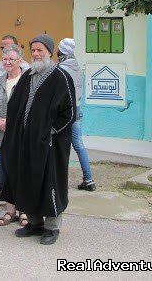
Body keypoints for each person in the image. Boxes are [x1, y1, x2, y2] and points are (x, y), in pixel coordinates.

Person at [1, 34, 75, 245]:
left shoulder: (61, 77)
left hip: (49, 145)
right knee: (28, 181)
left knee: (49, 184)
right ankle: (34, 223)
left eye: (40, 50)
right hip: (26, 144)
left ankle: (52, 227)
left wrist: (50, 132)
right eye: (33, 50)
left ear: (49, 52)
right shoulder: (27, 76)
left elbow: (69, 113)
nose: (35, 53)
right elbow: (14, 106)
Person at [0, 44, 28, 226]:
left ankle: (25, 211)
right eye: (5, 59)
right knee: (5, 175)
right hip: (0, 137)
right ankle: (10, 211)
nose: (8, 62)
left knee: (22, 174)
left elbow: (30, 110)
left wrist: (11, 122)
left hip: (21, 137)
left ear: (20, 60)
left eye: (12, 59)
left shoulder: (27, 81)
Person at [57, 38, 96, 192]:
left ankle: (59, 182)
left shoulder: (61, 68)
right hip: (78, 109)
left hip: (65, 113)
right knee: (78, 145)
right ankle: (89, 179)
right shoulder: (77, 66)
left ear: (61, 51)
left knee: (61, 146)